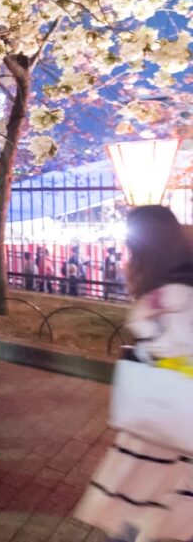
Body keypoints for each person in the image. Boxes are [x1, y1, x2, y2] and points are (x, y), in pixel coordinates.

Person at [73, 205, 193, 542]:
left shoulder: (165, 300)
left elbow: (177, 356)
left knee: (135, 517)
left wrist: (153, 359)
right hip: (173, 431)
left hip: (161, 430)